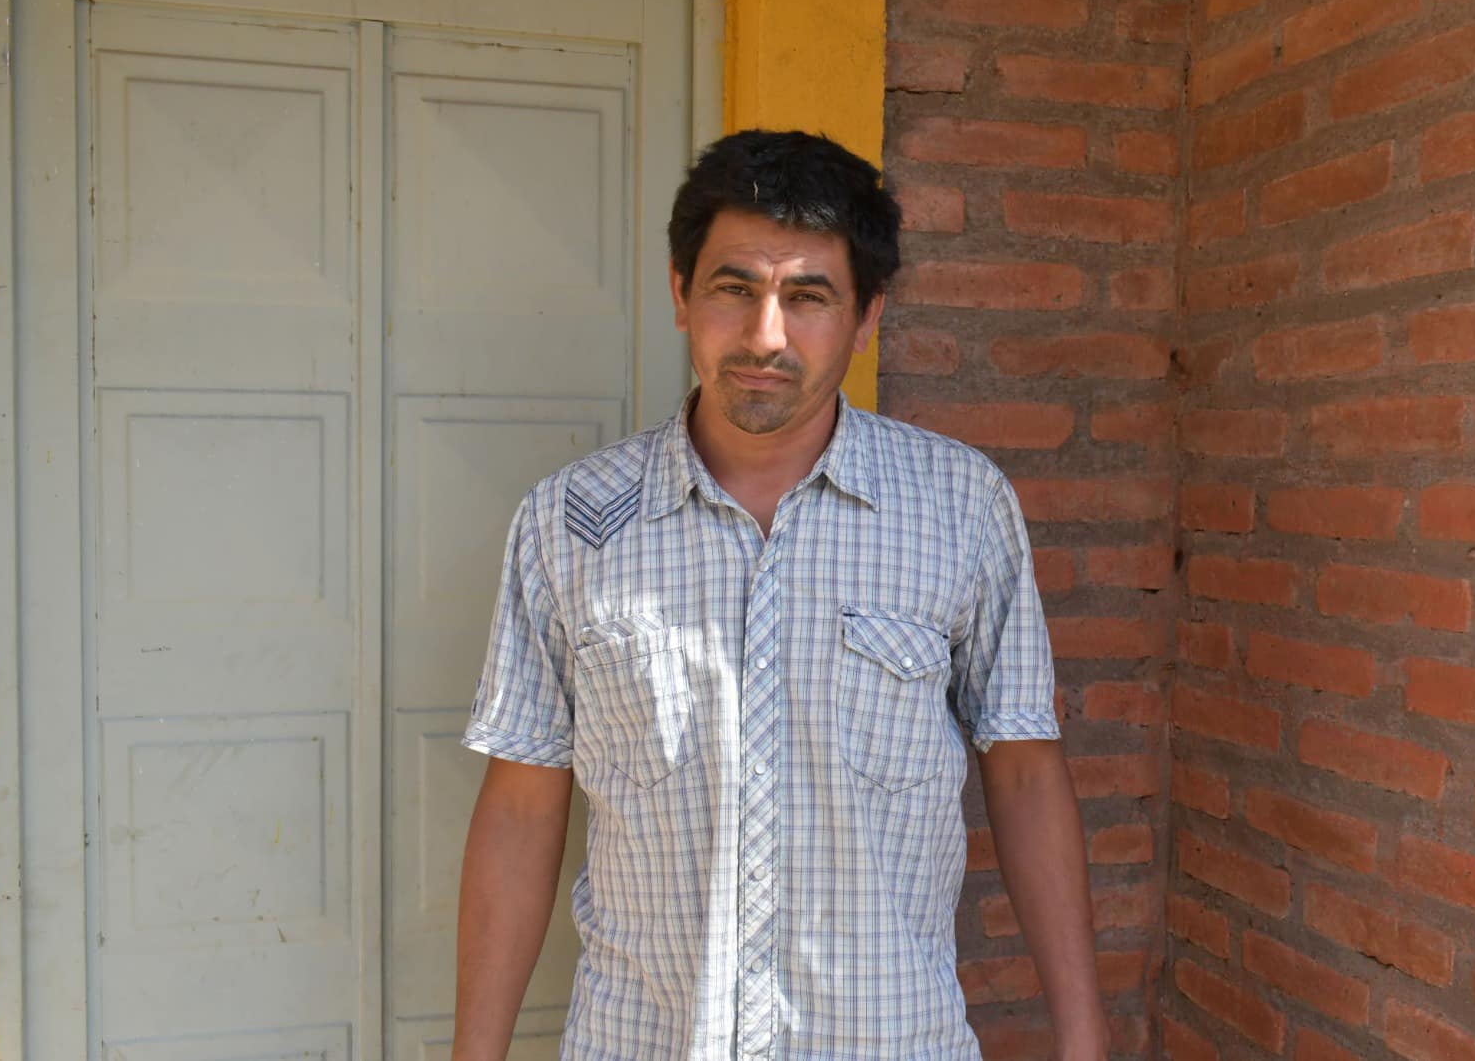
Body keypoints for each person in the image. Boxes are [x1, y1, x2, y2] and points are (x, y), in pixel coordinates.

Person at [454, 129, 1108, 1060]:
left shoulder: (960, 507)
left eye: (809, 297)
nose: (766, 337)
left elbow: (1026, 772)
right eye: (734, 289)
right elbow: (522, 807)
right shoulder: (569, 523)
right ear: (680, 293)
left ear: (867, 315)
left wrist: (1084, 1040)